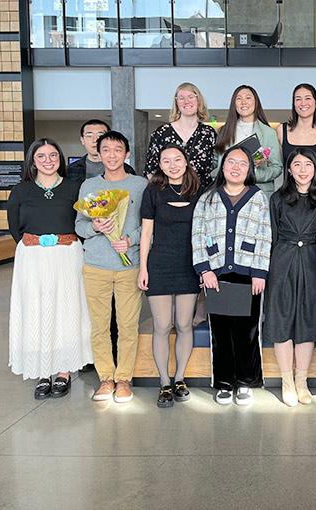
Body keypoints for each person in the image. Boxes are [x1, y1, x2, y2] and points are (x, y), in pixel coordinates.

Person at [7, 139, 92, 399]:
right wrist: (36, 245)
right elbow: (14, 229)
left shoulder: (73, 188)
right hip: (32, 258)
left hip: (67, 255)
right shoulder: (21, 190)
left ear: (61, 159)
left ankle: (64, 370)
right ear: (32, 160)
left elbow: (82, 223)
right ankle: (43, 372)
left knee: (66, 309)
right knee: (36, 309)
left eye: (53, 155)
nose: (48, 160)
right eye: (41, 156)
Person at [192, 146, 271, 406]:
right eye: (231, 162)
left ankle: (246, 382)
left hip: (248, 274)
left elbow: (264, 235)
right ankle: (225, 382)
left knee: (247, 332)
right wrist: (205, 269)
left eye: (242, 164)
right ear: (223, 166)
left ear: (249, 170)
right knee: (221, 332)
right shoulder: (208, 197)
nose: (236, 167)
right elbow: (197, 234)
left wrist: (259, 273)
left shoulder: (258, 197)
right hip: (216, 275)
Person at [75, 131, 148, 403]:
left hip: (129, 265)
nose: (112, 155)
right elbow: (78, 225)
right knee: (99, 325)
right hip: (95, 264)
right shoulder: (89, 186)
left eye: (118, 150)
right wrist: (94, 226)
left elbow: (150, 225)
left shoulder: (139, 185)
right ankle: (105, 377)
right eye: (106, 150)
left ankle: (124, 379)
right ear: (99, 153)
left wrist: (131, 239)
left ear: (126, 154)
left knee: (128, 325)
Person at [262, 148, 316, 407]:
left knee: (307, 321)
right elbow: (273, 235)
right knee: (282, 320)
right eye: (296, 164)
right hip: (283, 260)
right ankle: (286, 380)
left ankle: (302, 381)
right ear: (288, 169)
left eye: (307, 164)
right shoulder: (278, 198)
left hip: (313, 261)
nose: (302, 169)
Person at [138, 144, 202, 408]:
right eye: (166, 161)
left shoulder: (198, 190)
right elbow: (146, 233)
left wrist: (204, 266)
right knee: (162, 326)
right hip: (160, 263)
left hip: (189, 263)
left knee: (185, 325)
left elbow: (204, 230)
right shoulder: (152, 191)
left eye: (177, 159)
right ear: (160, 165)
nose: (172, 164)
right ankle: (164, 382)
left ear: (186, 162)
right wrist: (143, 267)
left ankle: (180, 378)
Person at [145, 83, 217, 192]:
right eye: (181, 98)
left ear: (199, 101)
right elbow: (151, 170)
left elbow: (215, 165)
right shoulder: (161, 133)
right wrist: (164, 195)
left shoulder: (208, 133)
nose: (186, 101)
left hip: (201, 196)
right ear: (176, 103)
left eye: (191, 97)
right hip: (168, 197)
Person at [214, 85, 282, 195]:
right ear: (234, 103)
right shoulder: (223, 131)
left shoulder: (269, 133)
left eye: (248, 98)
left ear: (256, 102)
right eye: (239, 98)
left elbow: (277, 168)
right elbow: (216, 164)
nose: (243, 102)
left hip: (258, 193)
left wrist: (251, 174)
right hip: (227, 192)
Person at [276, 83, 316, 170]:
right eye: (298, 99)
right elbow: (274, 164)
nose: (303, 103)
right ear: (293, 103)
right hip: (288, 184)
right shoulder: (281, 130)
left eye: (308, 98)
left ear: (315, 102)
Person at [67, 119, 135, 183]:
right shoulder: (70, 170)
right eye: (89, 136)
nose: (95, 140)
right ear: (82, 140)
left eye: (100, 135)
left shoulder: (127, 170)